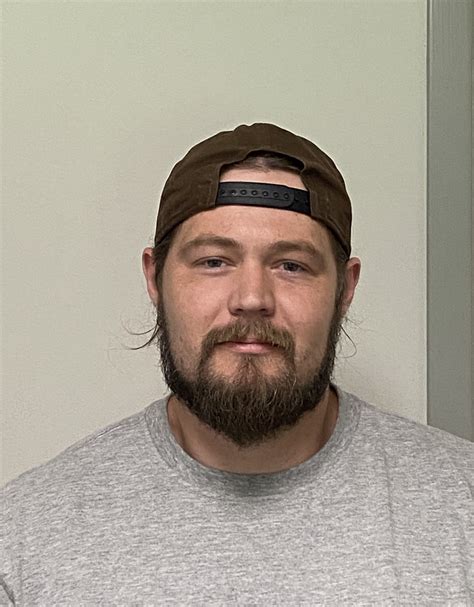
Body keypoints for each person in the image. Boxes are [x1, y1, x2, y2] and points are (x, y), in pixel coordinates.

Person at [0, 123, 472, 606]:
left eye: (291, 265)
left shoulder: (462, 508)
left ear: (344, 289)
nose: (251, 298)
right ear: (155, 278)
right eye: (213, 261)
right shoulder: (25, 538)